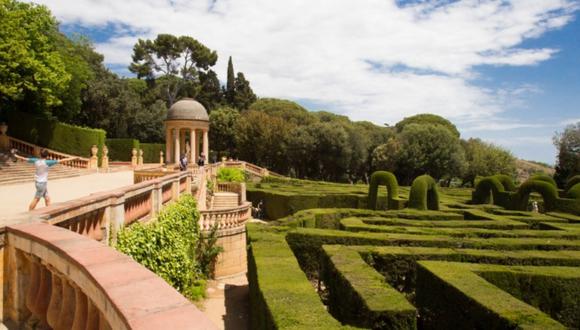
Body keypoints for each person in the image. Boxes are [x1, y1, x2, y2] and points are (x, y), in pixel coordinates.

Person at [12, 149, 78, 210]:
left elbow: (24, 158)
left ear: (40, 154)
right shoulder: (48, 162)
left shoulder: (36, 160)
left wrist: (15, 155)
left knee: (47, 198)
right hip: (42, 183)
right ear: (47, 155)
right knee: (36, 199)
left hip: (38, 182)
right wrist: (74, 158)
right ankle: (29, 213)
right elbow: (62, 160)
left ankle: (49, 212)